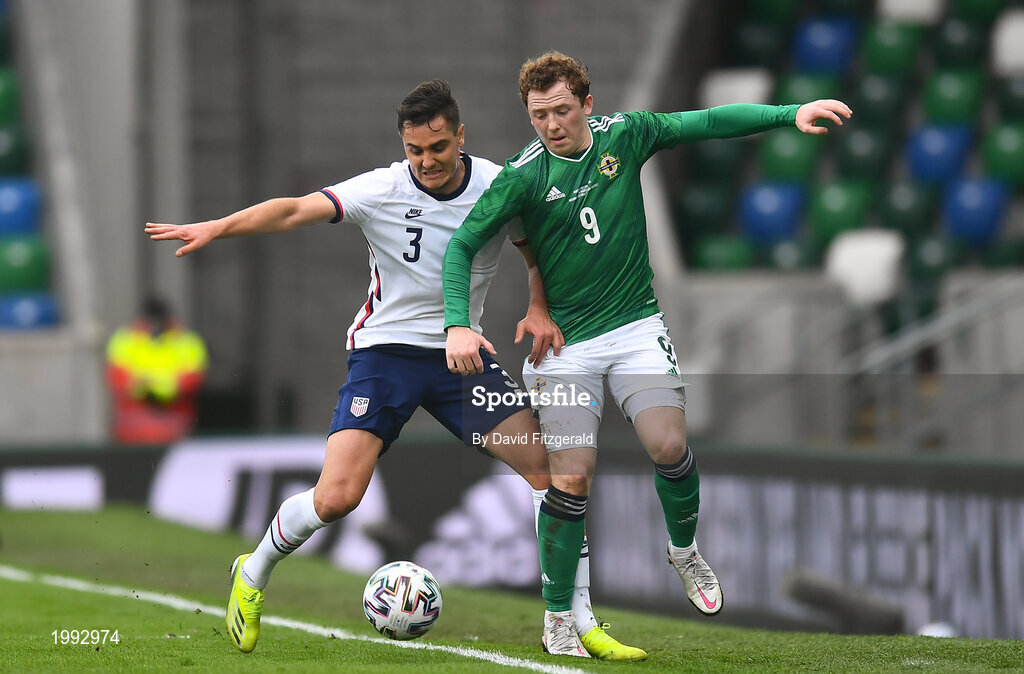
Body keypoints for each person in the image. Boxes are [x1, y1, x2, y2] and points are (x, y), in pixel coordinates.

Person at [146, 79, 646, 660]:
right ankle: (252, 572)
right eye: (415, 150)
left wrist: (538, 306)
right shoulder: (381, 189)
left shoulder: (497, 182)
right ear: (403, 146)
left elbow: (529, 246)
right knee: (336, 498)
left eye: (438, 147)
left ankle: (570, 620)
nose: (427, 161)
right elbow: (293, 210)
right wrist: (218, 226)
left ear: (461, 136)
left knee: (553, 472)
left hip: (462, 358)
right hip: (385, 356)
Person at [442, 51, 853, 656]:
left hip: (635, 326)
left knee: (668, 444)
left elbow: (708, 122)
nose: (552, 125)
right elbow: (462, 248)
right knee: (571, 478)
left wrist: (790, 113)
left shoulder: (626, 136)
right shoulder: (522, 176)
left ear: (587, 103)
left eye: (561, 110)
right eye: (538, 115)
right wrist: (457, 325)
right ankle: (559, 617)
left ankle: (684, 551)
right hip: (565, 348)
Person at [105, 295, 208, 444]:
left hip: (174, 422)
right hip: (134, 427)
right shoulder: (124, 340)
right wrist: (160, 387)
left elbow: (193, 380)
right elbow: (118, 378)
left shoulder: (187, 341)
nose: (155, 326)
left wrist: (153, 387)